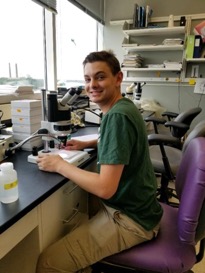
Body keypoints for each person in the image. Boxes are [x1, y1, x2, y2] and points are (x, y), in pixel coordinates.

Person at [36, 50, 163, 273]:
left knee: (48, 262)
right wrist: (89, 143)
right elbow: (120, 140)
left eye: (100, 77)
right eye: (87, 79)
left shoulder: (116, 117)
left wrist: (59, 165)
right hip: (141, 207)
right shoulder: (123, 107)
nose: (92, 84)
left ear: (118, 78)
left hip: (132, 221)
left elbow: (105, 188)